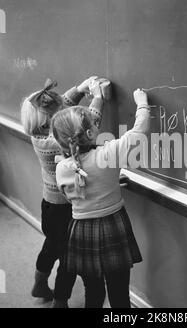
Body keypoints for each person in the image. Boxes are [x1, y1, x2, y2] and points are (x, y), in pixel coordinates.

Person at [51, 89, 150, 308]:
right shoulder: (108, 154)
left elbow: (71, 197)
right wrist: (142, 102)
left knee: (93, 292)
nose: (98, 125)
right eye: (95, 124)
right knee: (119, 293)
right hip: (113, 226)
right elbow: (139, 130)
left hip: (81, 230)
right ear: (88, 134)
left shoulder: (61, 168)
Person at [20, 76, 106, 307]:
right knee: (69, 259)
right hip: (66, 208)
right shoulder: (57, 142)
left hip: (49, 205)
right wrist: (97, 97)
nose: (64, 107)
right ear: (52, 119)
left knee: (52, 245)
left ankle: (39, 283)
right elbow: (90, 121)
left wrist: (80, 88)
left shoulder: (37, 132)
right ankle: (60, 301)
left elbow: (62, 103)